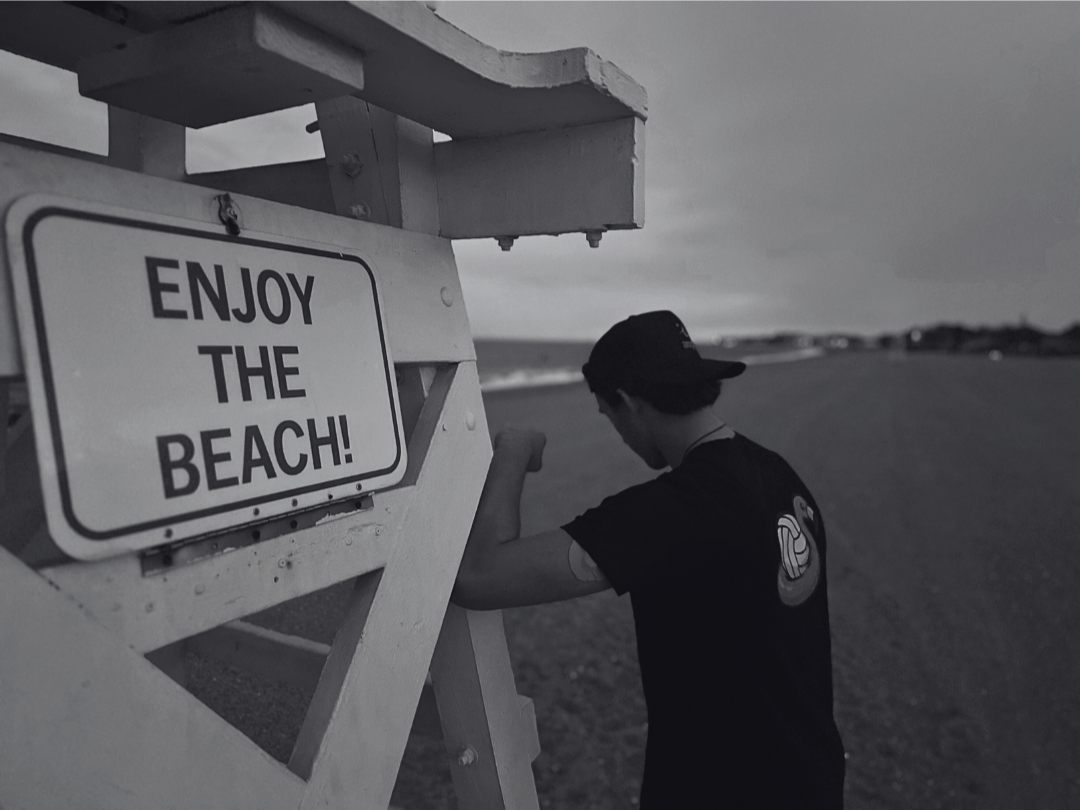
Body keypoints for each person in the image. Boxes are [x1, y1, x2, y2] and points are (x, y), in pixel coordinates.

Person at [452, 310, 845, 808]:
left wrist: (512, 449)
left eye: (608, 414)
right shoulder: (780, 477)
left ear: (627, 402)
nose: (616, 429)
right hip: (811, 778)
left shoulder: (678, 510)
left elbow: (479, 577)